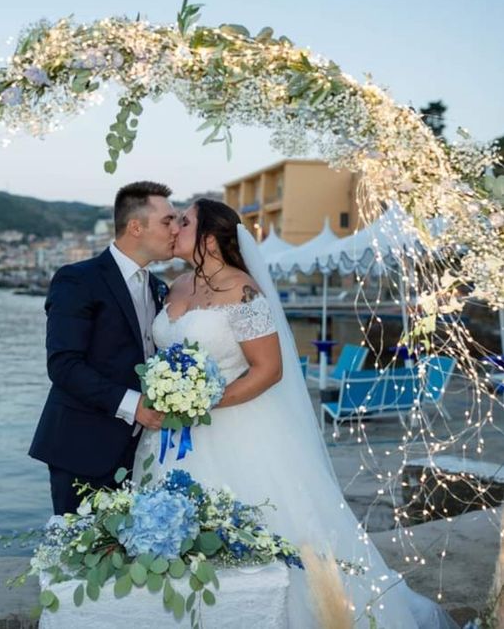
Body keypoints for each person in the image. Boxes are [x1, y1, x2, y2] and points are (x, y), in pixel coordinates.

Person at [133, 199, 457, 629]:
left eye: (185, 221)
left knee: (260, 535)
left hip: (234, 428)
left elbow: (269, 370)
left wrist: (202, 404)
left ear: (210, 237)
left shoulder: (242, 290)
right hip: (168, 438)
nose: (174, 227)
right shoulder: (174, 286)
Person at [29, 181, 179, 514]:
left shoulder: (158, 287)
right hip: (83, 447)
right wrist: (134, 404)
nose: (175, 230)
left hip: (143, 449)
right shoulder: (78, 279)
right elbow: (64, 365)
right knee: (77, 558)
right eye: (167, 221)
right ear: (136, 227)